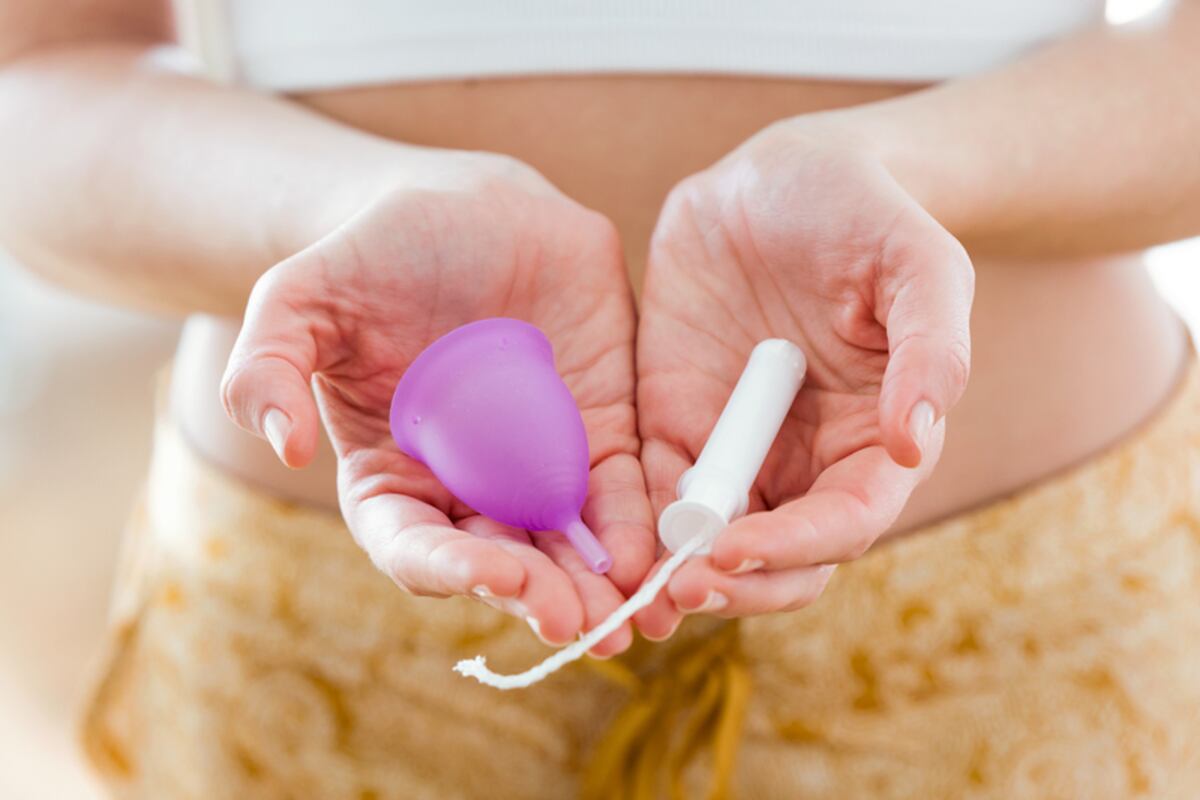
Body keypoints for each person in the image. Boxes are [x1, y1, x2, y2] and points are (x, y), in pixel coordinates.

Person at [2, 0, 1199, 796]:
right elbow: (35, 86)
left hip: (1017, 640)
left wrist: (909, 170)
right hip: (332, 660)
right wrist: (346, 207)